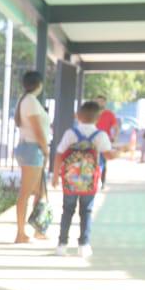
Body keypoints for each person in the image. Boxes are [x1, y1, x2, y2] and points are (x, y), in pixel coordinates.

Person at [53, 101, 112, 258]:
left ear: (78, 116)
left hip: (70, 180)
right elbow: (108, 155)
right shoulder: (100, 135)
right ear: (97, 118)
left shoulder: (70, 133)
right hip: (89, 182)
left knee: (67, 211)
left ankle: (62, 245)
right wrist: (121, 151)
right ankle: (84, 245)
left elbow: (59, 153)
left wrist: (55, 175)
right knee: (86, 211)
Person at [14, 70, 52, 242]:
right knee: (27, 192)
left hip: (29, 148)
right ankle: (20, 233)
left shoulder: (26, 101)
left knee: (40, 191)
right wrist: (45, 149)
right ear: (39, 84)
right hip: (33, 149)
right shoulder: (31, 102)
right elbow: (38, 130)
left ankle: (38, 229)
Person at [92, 95, 119, 189]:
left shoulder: (109, 114)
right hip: (92, 141)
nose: (99, 103)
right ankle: (92, 180)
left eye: (101, 101)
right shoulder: (91, 113)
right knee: (91, 161)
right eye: (97, 101)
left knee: (103, 161)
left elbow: (116, 127)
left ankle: (102, 181)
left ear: (105, 103)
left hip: (105, 141)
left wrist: (114, 137)